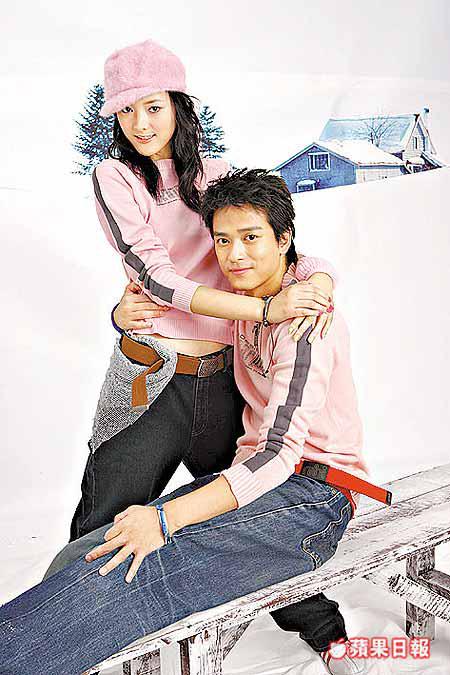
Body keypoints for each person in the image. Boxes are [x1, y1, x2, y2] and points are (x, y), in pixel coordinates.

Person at [0, 169, 393, 675]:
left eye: (251, 238)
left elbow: (278, 454)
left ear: (283, 239)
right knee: (92, 551)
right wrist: (121, 314)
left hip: (316, 497)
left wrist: (165, 519)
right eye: (223, 241)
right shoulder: (246, 301)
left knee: (140, 565)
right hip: (261, 481)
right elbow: (173, 297)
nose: (235, 255)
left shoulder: (304, 325)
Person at [62, 37, 351, 671]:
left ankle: (328, 633)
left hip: (224, 383)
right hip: (150, 380)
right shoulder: (115, 178)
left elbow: (284, 250)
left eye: (153, 106)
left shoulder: (215, 177)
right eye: (126, 110)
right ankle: (74, 642)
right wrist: (265, 312)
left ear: (179, 104)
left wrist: (321, 281)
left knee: (249, 509)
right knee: (101, 525)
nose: (140, 124)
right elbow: (157, 278)